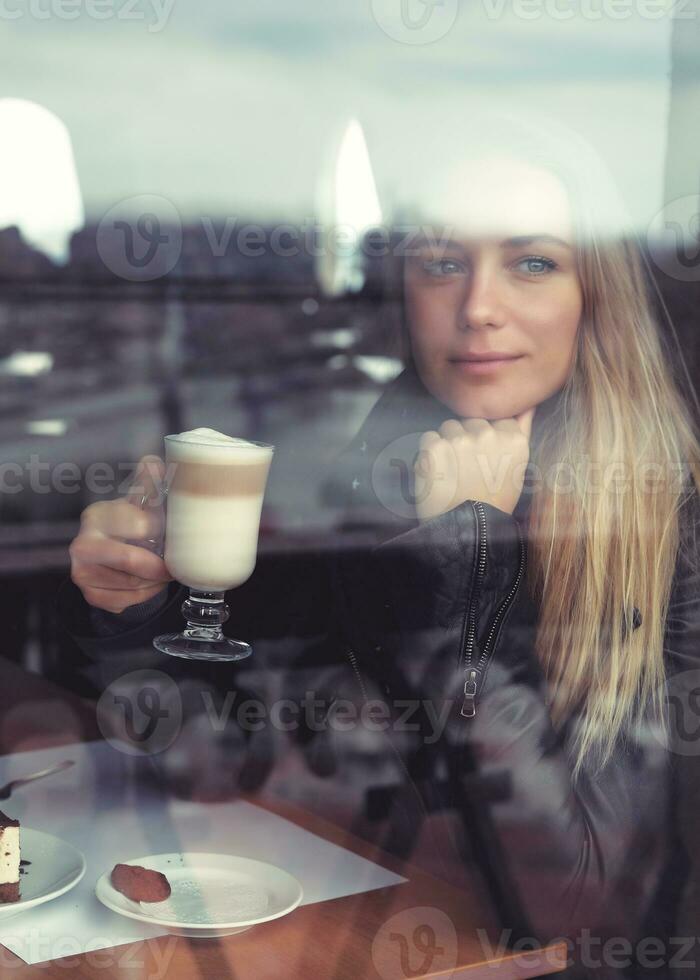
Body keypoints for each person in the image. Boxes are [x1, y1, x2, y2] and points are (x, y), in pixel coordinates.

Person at [61, 114, 699, 977]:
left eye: (533, 262)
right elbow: (221, 766)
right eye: (442, 263)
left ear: (596, 300)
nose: (478, 307)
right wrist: (136, 610)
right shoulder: (378, 466)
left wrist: (468, 551)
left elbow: (572, 908)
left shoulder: (667, 519)